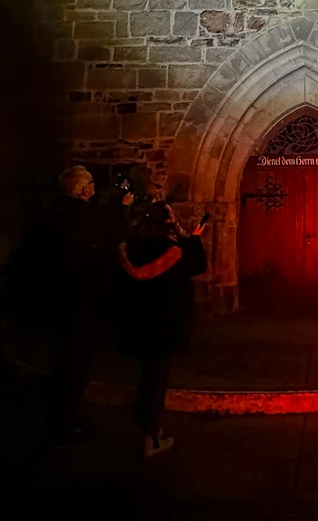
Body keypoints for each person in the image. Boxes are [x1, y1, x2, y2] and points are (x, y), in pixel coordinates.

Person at [117, 201, 208, 458]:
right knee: (156, 380)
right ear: (167, 224)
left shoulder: (130, 249)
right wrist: (195, 238)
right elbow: (198, 264)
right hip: (163, 325)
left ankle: (142, 427)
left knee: (145, 377)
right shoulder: (173, 251)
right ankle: (151, 437)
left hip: (137, 323)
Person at [50, 165, 117, 447]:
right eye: (90, 182)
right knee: (76, 365)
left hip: (65, 300)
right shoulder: (82, 219)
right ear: (84, 190)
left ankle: (68, 418)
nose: (93, 186)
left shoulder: (59, 215)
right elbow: (109, 244)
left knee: (69, 362)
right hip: (83, 302)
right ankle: (65, 426)